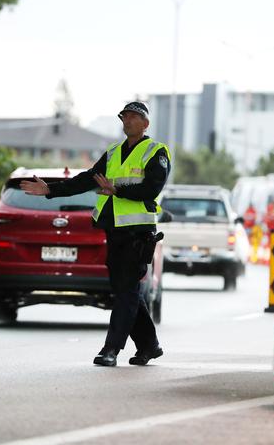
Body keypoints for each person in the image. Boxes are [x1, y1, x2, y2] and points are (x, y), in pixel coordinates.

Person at [20, 101, 171, 367]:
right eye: (124, 116)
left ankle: (111, 349)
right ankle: (149, 345)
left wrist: (117, 190)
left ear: (145, 124)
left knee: (126, 291)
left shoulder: (155, 151)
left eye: (134, 116)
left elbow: (152, 189)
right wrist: (51, 190)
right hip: (114, 230)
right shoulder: (113, 153)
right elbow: (88, 179)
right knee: (125, 290)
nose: (127, 120)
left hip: (138, 231)